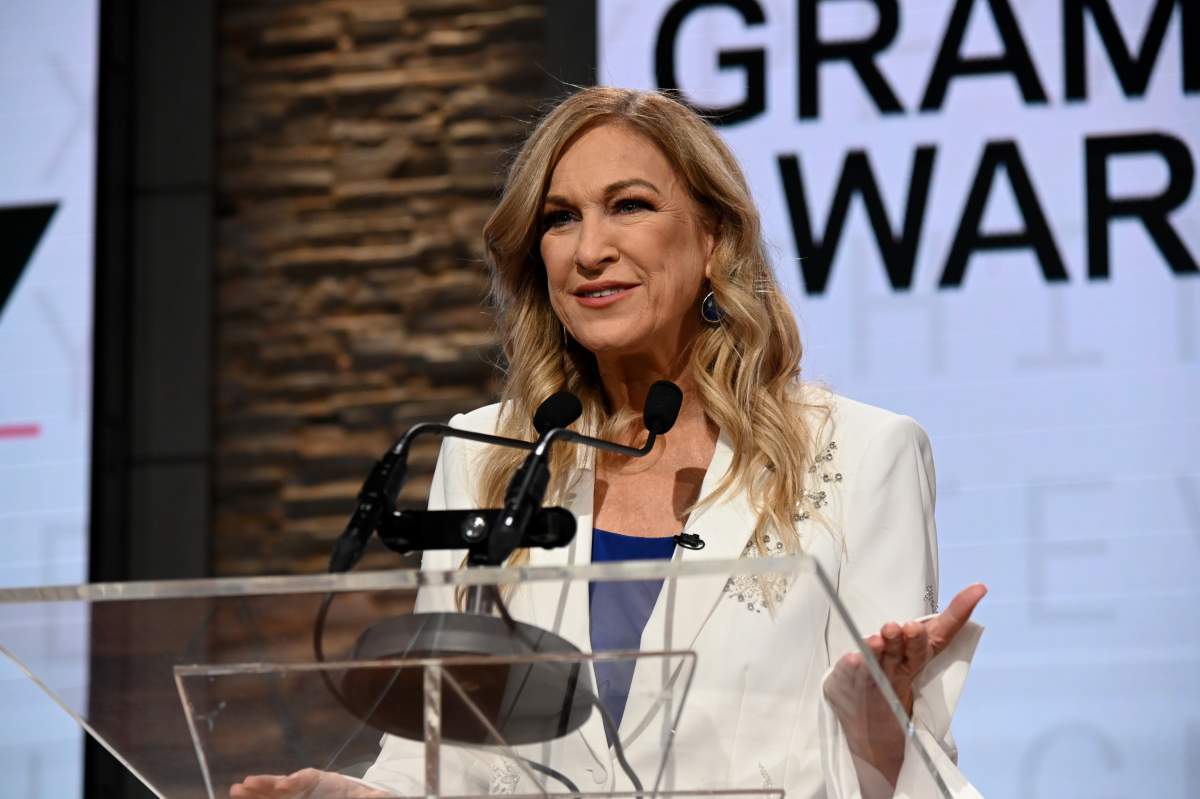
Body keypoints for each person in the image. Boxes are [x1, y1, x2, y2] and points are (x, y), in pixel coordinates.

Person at [232, 87, 986, 799]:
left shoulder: (862, 452)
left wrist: (880, 726)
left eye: (629, 205)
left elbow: (916, 771)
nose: (589, 249)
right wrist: (361, 793)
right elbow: (441, 745)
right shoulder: (485, 452)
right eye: (560, 218)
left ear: (714, 237)